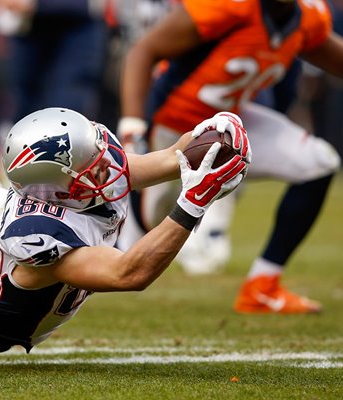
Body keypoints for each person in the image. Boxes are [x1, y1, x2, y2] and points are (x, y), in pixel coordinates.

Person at [0, 107, 249, 353]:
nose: (107, 161)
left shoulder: (74, 183)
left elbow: (173, 158)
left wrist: (216, 135)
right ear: (57, 187)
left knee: (7, 205)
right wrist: (193, 202)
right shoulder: (41, 241)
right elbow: (130, 273)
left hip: (29, 215)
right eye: (92, 162)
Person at [118, 0, 342, 312]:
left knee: (318, 163)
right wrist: (132, 125)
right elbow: (144, 50)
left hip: (232, 123)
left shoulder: (308, 16)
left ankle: (262, 287)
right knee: (143, 227)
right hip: (175, 126)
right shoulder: (228, 5)